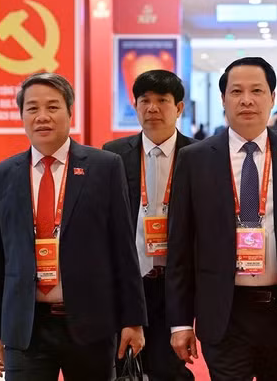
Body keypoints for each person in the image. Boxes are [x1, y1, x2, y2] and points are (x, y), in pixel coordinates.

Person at [166, 57, 277, 380]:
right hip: (224, 311)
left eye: (257, 91)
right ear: (223, 99)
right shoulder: (195, 159)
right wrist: (180, 322)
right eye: (236, 91)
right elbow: (180, 247)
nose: (246, 100)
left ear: (272, 98)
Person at [0, 72, 146, 381]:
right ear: (22, 116)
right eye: (32, 108)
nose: (42, 116)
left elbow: (123, 249)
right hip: (26, 327)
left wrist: (133, 320)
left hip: (91, 324)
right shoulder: (2, 174)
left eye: (52, 107)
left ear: (70, 112)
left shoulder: (104, 167)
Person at [103, 70, 195, 381]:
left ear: (178, 108)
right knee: (124, 364)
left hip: (177, 282)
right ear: (135, 105)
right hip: (130, 280)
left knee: (170, 368)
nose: (152, 108)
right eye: (145, 101)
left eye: (162, 101)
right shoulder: (113, 155)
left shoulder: (198, 155)